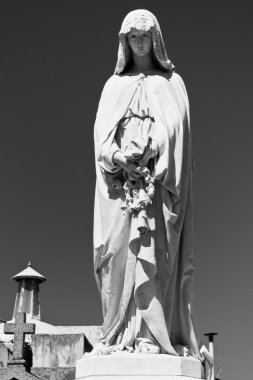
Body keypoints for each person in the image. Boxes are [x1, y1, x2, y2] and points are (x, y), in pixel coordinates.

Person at [93, 9, 212, 377]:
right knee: (112, 253)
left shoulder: (171, 82)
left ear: (155, 39)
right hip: (118, 184)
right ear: (124, 42)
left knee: (154, 255)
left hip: (156, 184)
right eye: (132, 36)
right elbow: (100, 136)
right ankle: (117, 335)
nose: (139, 42)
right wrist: (117, 155)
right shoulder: (113, 87)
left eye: (145, 35)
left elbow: (177, 130)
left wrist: (153, 147)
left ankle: (150, 334)